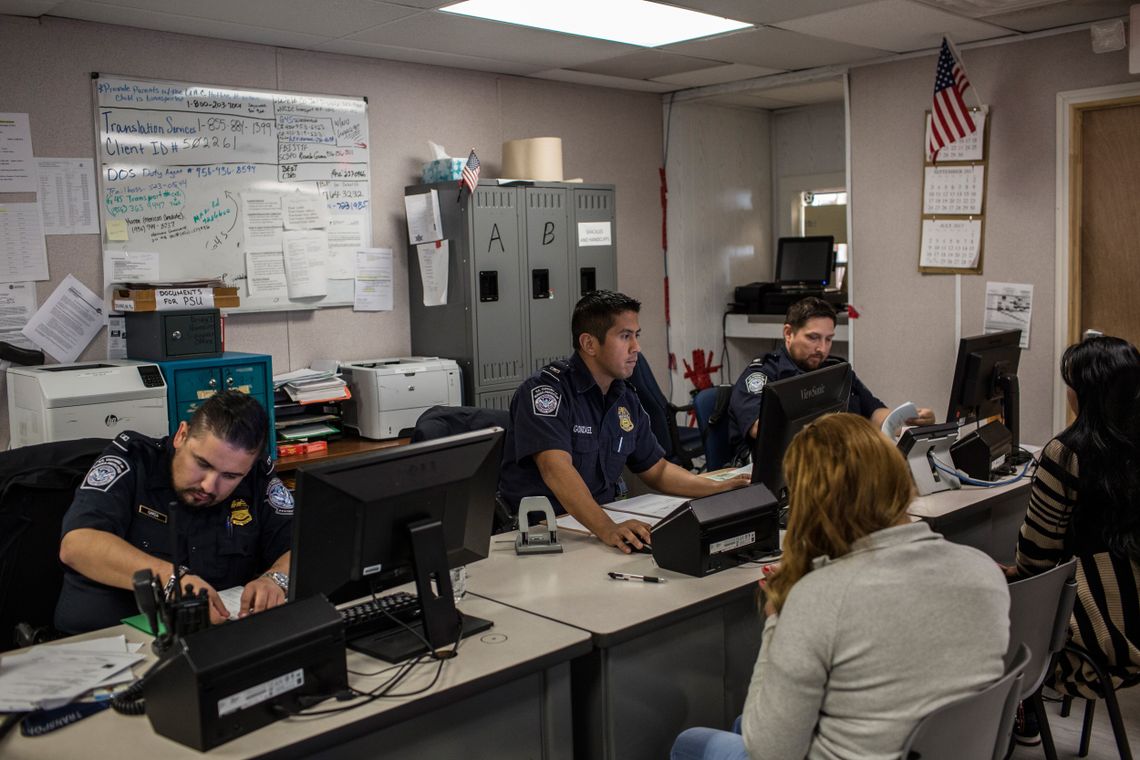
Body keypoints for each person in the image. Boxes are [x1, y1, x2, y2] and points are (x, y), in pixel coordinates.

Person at [671, 413, 1010, 760]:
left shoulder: (819, 598)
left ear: (809, 504)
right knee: (746, 722)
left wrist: (777, 620)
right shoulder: (983, 571)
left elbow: (770, 751)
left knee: (692, 742)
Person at [498, 290, 749, 553]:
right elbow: (555, 469)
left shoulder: (624, 396)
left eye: (636, 336)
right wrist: (607, 527)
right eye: (625, 336)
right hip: (545, 534)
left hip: (597, 527)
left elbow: (657, 470)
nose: (636, 348)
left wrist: (715, 488)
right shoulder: (547, 392)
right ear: (589, 344)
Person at [55, 391, 293, 634]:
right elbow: (77, 545)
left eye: (230, 476)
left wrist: (276, 579)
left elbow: (304, 540)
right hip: (109, 641)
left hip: (210, 640)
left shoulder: (256, 477)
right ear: (182, 435)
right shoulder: (133, 461)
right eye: (202, 464)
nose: (209, 486)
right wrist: (172, 580)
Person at [1008, 336, 1140, 706]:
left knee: (996, 606)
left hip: (1100, 636)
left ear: (1086, 393)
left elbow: (1036, 558)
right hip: (1133, 617)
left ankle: (1021, 714)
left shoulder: (1066, 454)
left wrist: (1013, 572)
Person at [726, 297, 935, 463]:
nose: (822, 349)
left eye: (829, 339)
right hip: (791, 472)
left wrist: (907, 421)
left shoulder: (836, 369)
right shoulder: (763, 375)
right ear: (788, 333)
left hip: (841, 466)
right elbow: (763, 430)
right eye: (813, 338)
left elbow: (874, 412)